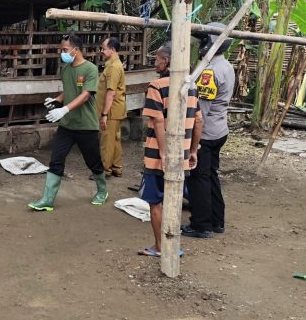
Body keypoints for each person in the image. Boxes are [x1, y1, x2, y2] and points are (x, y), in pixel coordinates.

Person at [28, 33, 107, 211]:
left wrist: (64, 109)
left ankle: (102, 190)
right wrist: (56, 100)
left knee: (93, 161)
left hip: (86, 125)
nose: (62, 53)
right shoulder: (66, 69)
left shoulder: (90, 69)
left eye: (65, 50)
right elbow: (68, 91)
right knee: (56, 160)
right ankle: (47, 200)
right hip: (67, 125)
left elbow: (86, 95)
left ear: (76, 49)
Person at [138, 42, 202, 258]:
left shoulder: (156, 86)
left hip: (158, 156)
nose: (155, 62)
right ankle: (173, 244)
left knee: (155, 202)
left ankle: (160, 246)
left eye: (157, 59)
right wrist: (193, 150)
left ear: (166, 61)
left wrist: (164, 155)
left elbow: (157, 122)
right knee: (173, 200)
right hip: (183, 155)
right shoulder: (191, 85)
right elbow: (199, 120)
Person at [183, 23, 236, 239]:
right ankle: (216, 220)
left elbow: (199, 112)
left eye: (203, 41)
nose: (200, 45)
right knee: (210, 175)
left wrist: (192, 140)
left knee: (199, 178)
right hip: (219, 129)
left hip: (206, 132)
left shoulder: (209, 72)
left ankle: (201, 224)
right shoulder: (226, 66)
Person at [96, 38, 127, 177]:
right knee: (114, 139)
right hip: (115, 109)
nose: (102, 51)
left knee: (106, 141)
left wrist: (104, 114)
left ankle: (105, 169)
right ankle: (116, 167)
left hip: (111, 110)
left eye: (104, 48)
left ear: (112, 49)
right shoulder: (114, 65)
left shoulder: (113, 67)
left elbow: (111, 92)